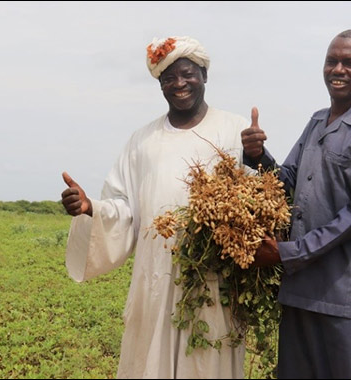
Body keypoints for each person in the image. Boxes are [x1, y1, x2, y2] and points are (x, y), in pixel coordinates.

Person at [61, 36, 248, 379]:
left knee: (208, 360)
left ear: (204, 75)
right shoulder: (141, 141)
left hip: (213, 277)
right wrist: (92, 209)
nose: (178, 84)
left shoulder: (235, 130)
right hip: (155, 278)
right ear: (160, 85)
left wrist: (257, 156)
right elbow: (124, 207)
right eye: (168, 78)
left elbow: (255, 200)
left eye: (187, 74)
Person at [241, 29, 351, 379]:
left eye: (350, 63)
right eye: (332, 61)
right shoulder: (316, 122)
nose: (339, 70)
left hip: (346, 297)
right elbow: (285, 183)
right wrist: (256, 157)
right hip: (299, 293)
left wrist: (287, 252)